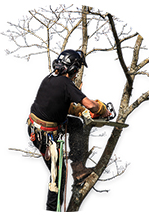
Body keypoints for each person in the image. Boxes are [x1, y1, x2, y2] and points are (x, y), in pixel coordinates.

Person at [27, 49, 110, 211]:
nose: (77, 73)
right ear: (72, 68)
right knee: (58, 177)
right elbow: (91, 104)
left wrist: (79, 112)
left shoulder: (49, 79)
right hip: (45, 134)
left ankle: (78, 168)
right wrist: (102, 110)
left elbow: (57, 104)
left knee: (76, 125)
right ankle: (52, 210)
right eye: (77, 69)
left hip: (37, 126)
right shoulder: (66, 84)